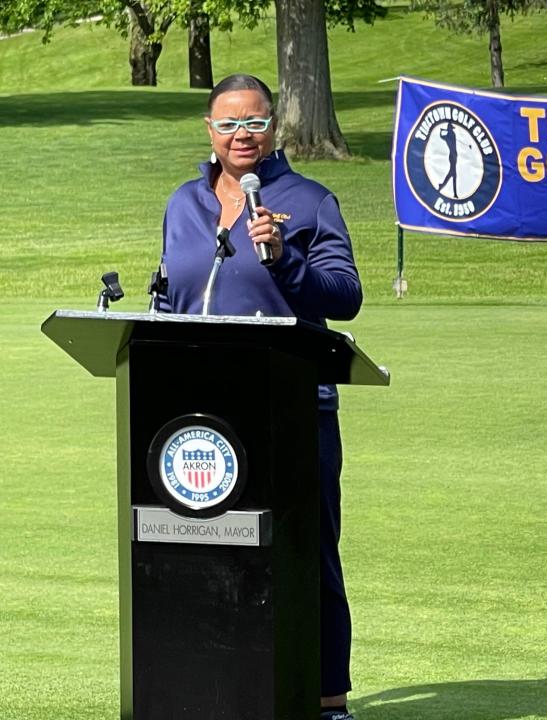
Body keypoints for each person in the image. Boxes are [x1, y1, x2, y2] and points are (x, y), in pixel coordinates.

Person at [157, 73, 362, 720]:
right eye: (228, 124)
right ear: (208, 130)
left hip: (292, 409)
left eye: (254, 122)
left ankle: (328, 701)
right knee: (202, 554)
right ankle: (218, 688)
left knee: (306, 553)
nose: (241, 135)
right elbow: (169, 295)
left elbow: (344, 295)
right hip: (195, 414)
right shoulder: (182, 205)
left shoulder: (307, 200)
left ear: (273, 127)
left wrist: (284, 261)